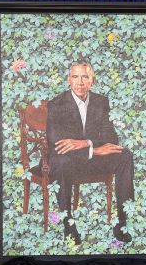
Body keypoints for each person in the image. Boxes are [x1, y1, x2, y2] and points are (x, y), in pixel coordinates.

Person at [47, 60, 135, 244]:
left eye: (85, 77)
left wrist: (85, 144)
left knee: (124, 155)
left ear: (92, 81)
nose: (80, 82)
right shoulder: (57, 104)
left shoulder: (101, 101)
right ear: (68, 80)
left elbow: (111, 137)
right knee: (63, 161)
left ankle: (122, 223)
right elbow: (60, 144)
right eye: (75, 77)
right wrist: (95, 149)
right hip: (66, 160)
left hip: (90, 156)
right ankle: (68, 225)